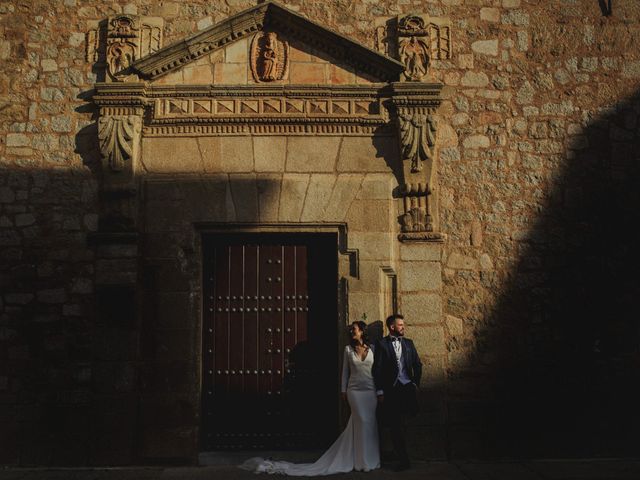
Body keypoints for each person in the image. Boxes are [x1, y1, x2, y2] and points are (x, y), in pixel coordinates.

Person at [239, 321, 380, 475]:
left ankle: (371, 459)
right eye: (351, 329)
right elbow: (345, 372)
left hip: (370, 392)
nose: (352, 331)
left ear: (362, 331)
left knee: (369, 424)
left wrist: (379, 391)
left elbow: (377, 372)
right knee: (361, 421)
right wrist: (343, 391)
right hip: (354, 392)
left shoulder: (373, 349)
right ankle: (361, 461)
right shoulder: (347, 350)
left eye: (354, 329)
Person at [372, 314, 422, 471]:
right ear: (392, 327)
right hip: (391, 391)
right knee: (395, 425)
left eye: (403, 324)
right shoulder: (381, 344)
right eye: (400, 325)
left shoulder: (409, 343)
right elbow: (377, 369)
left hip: (407, 389)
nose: (403, 327)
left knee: (404, 423)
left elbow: (417, 364)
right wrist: (379, 390)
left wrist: (415, 383)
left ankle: (398, 452)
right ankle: (403, 460)